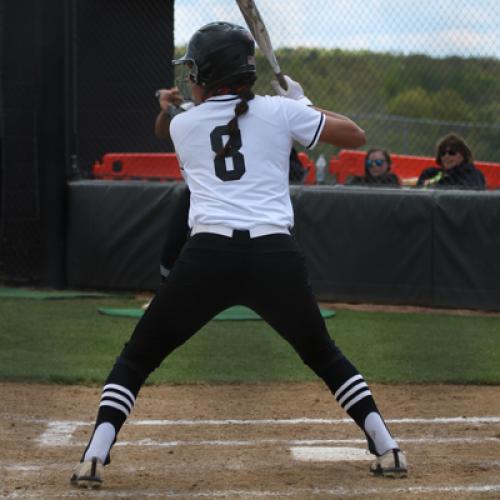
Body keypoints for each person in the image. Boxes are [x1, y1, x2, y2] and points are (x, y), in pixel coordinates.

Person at [70, 21, 407, 489]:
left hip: (207, 255)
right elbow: (355, 135)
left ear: (210, 71)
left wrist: (170, 108)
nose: (189, 80)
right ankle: (388, 446)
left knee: (138, 357)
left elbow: (176, 123)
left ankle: (93, 455)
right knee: (322, 354)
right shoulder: (277, 113)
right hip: (274, 254)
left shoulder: (185, 124)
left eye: (194, 71)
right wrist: (300, 104)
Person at [417, 133, 486, 189]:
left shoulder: (472, 175)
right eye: (443, 153)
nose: (446, 156)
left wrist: (434, 185)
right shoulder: (431, 173)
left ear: (462, 156)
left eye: (452, 152)